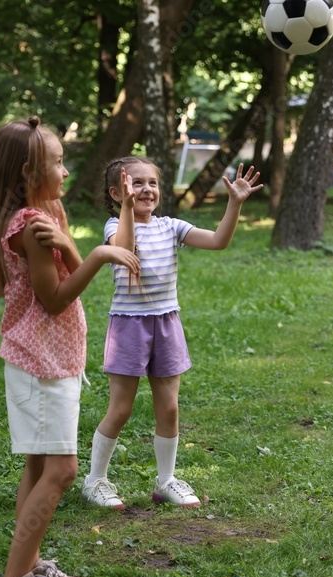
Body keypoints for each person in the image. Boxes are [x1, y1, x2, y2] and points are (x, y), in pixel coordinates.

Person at [0, 117, 140, 577]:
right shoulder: (31, 226)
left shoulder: (46, 210)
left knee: (38, 464)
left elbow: (68, 261)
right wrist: (98, 255)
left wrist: (82, 250)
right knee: (64, 469)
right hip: (41, 364)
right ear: (30, 170)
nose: (66, 169)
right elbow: (54, 299)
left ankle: (27, 567)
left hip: (51, 359)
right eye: (57, 161)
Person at [81, 157, 262, 511]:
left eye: (152, 182)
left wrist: (234, 204)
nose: (146, 189)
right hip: (129, 325)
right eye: (136, 184)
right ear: (117, 193)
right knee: (121, 409)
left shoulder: (171, 226)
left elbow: (218, 241)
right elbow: (124, 248)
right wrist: (129, 210)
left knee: (170, 408)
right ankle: (95, 481)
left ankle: (165, 481)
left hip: (166, 322)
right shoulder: (114, 225)